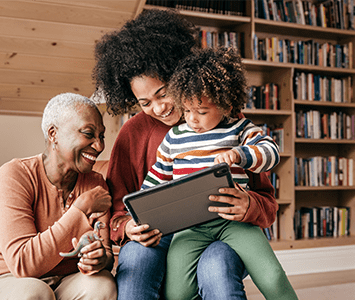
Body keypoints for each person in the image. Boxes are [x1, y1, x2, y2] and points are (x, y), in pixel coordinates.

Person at [93, 9, 279, 300]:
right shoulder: (132, 133)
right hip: (159, 236)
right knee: (136, 261)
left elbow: (267, 199)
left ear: (178, 76)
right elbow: (118, 208)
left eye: (163, 93)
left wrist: (249, 205)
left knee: (215, 266)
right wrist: (128, 227)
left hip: (224, 229)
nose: (159, 108)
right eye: (145, 102)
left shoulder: (224, 119)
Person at [141, 47, 297, 300]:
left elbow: (271, 152)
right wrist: (141, 212)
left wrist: (240, 154)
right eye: (187, 110)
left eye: (201, 112)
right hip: (189, 228)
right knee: (176, 293)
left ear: (225, 105)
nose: (192, 119)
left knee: (272, 276)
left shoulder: (240, 128)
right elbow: (156, 180)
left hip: (235, 223)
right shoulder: (174, 138)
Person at [0, 93, 117, 300]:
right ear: (53, 134)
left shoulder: (96, 184)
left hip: (62, 282)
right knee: (34, 292)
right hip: (2, 280)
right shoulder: (14, 175)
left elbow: (106, 253)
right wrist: (79, 210)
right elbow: (23, 264)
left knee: (102, 285)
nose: (99, 146)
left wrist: (99, 259)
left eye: (102, 136)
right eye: (89, 134)